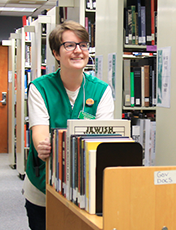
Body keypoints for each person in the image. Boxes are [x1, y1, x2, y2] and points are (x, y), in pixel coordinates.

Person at [22, 20, 114, 230]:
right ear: (56, 53)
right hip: (44, 185)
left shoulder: (101, 91)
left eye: (83, 45)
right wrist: (42, 146)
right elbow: (39, 130)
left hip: (85, 186)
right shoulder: (40, 87)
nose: (78, 51)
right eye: (70, 45)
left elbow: (103, 140)